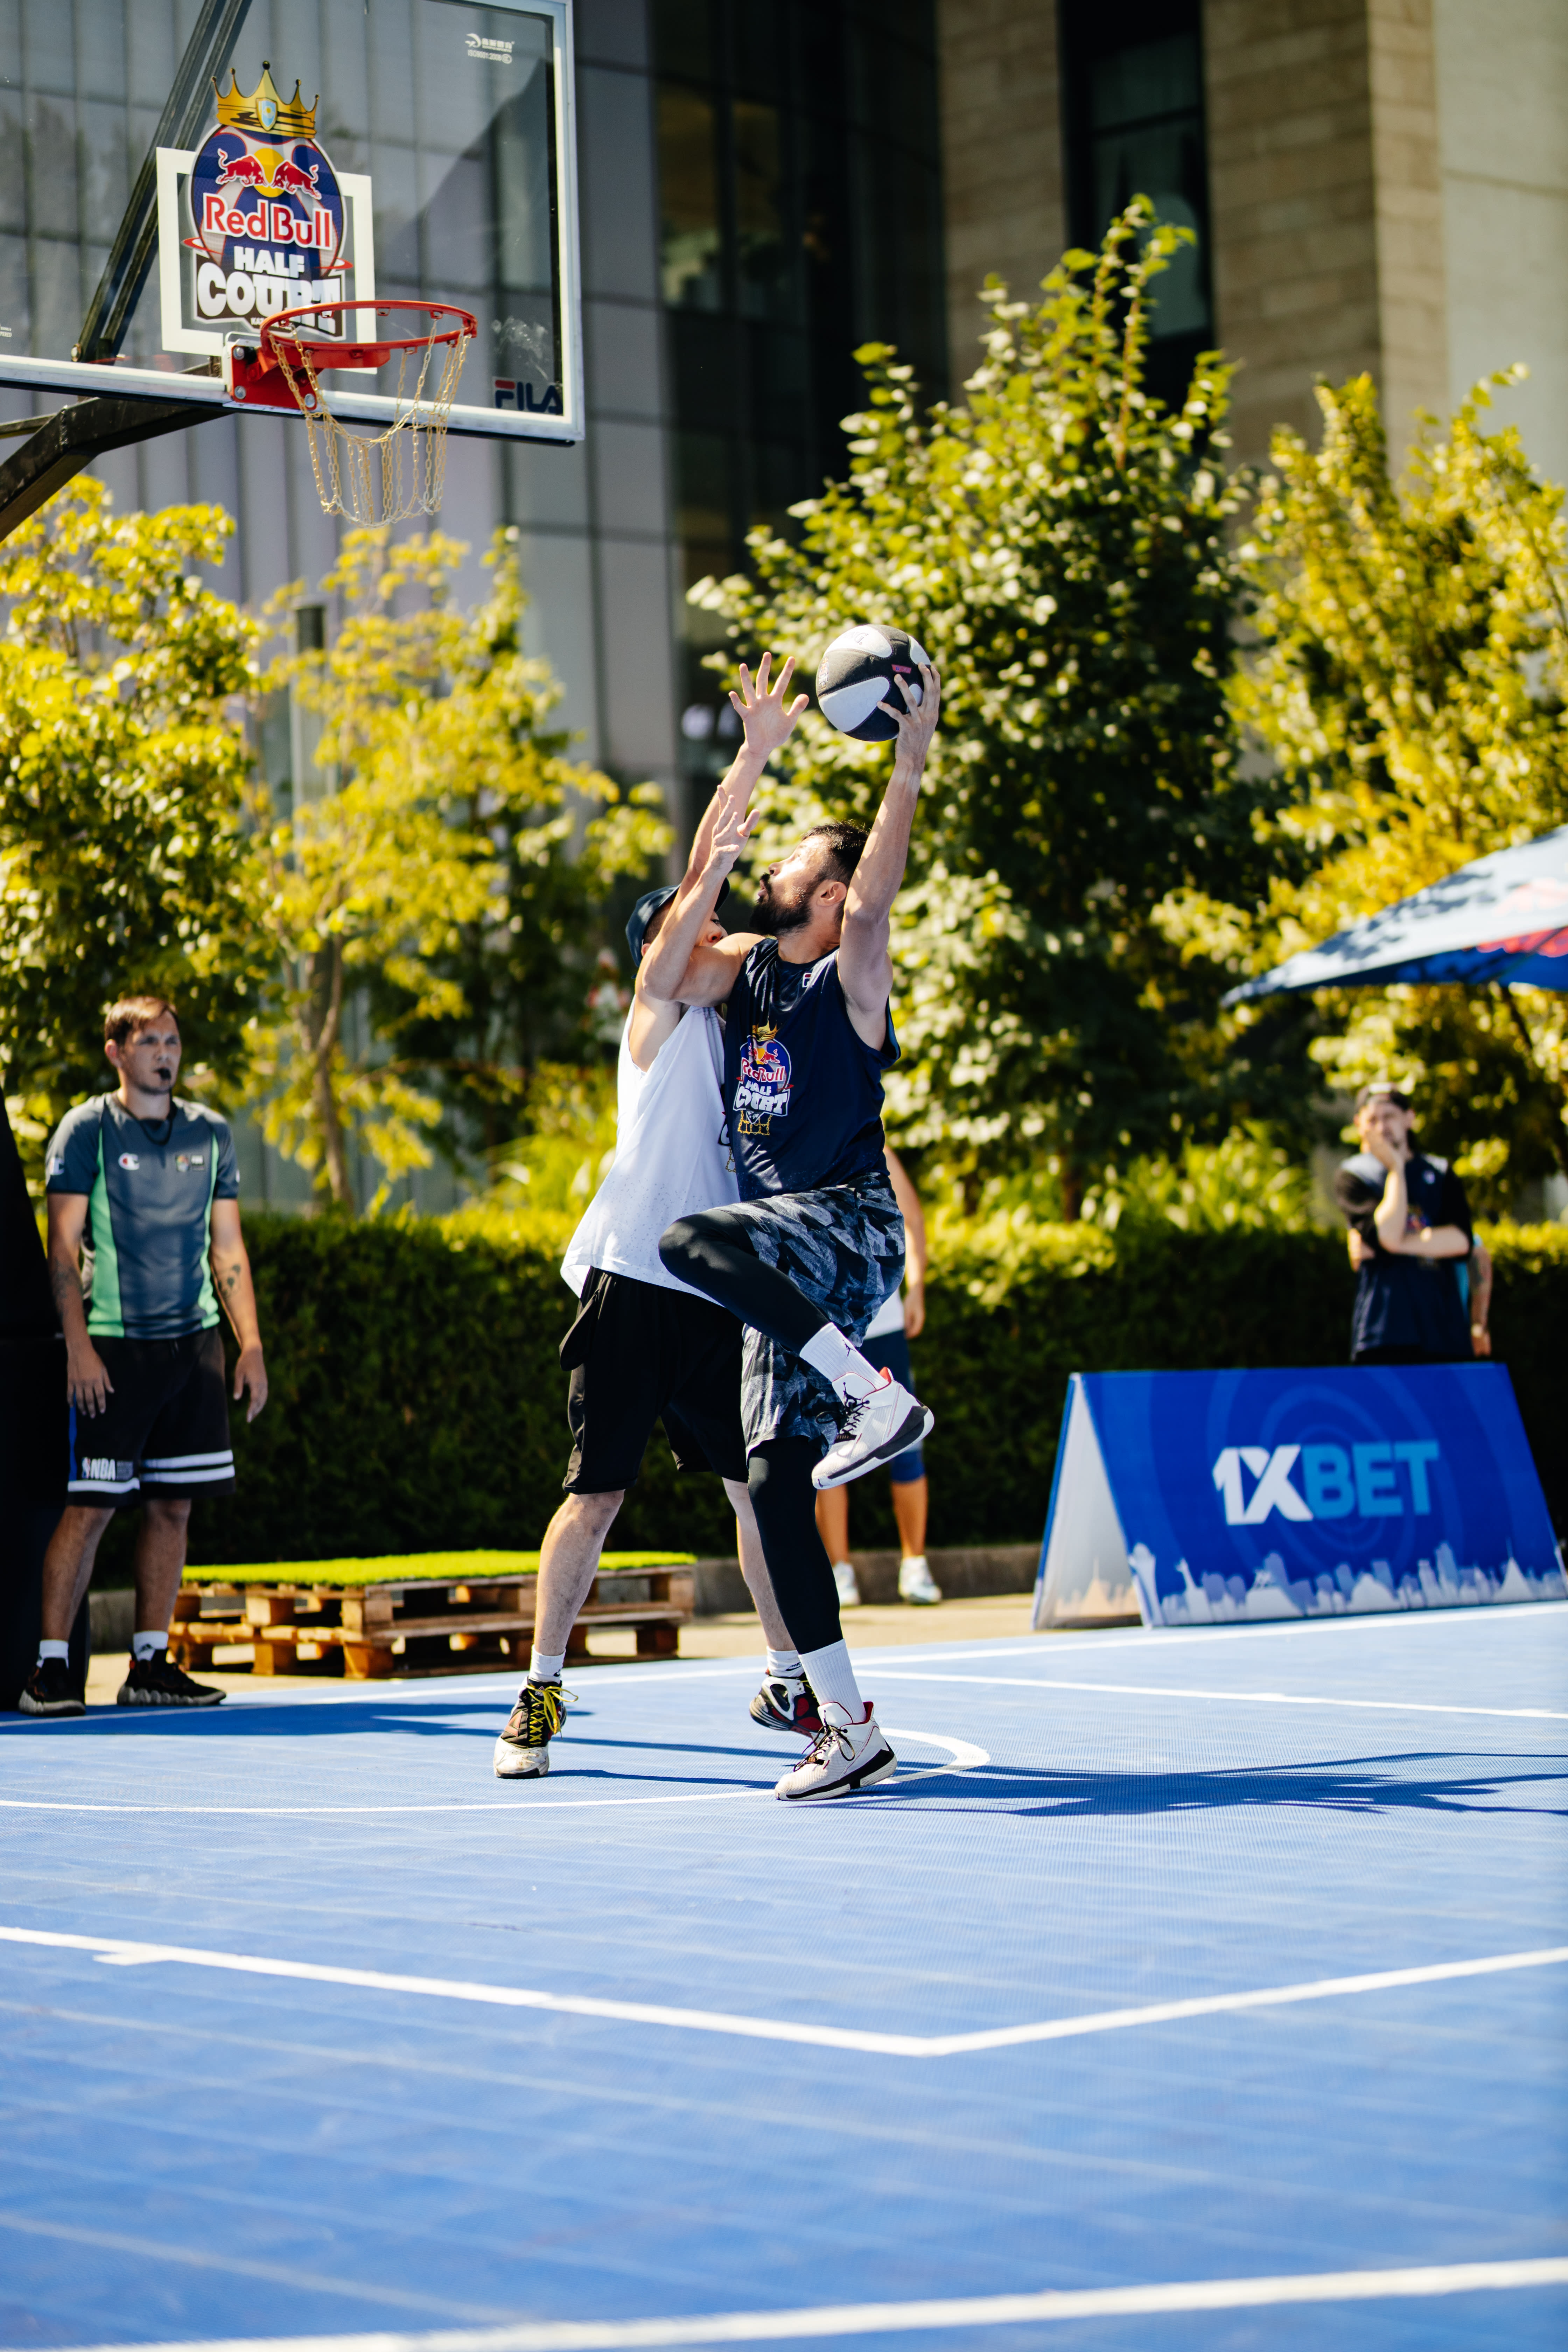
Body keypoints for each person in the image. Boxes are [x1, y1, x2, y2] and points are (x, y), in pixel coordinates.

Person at [492, 661, 821, 1779]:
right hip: (634, 1279)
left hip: (714, 1291)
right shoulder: (656, 1017)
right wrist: (754, 750)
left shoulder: (744, 1041)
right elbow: (700, 882)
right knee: (596, 1492)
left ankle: (788, 1680)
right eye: (697, 935)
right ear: (662, 954)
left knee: (754, 1488)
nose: (718, 944)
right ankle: (538, 1692)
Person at [646, 651, 941, 1802]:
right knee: (775, 1484)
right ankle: (845, 1722)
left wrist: (906, 767)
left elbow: (873, 900)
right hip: (787, 1262)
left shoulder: (848, 979)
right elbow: (668, 965)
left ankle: (873, 1390)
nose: (773, 872)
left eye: (794, 865)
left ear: (828, 897)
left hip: (849, 1225)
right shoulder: (753, 971)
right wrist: (749, 762)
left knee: (691, 1244)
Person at [21, 996, 267, 1717]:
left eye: (174, 1041)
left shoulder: (211, 1133)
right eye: (150, 1041)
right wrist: (77, 1349)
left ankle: (150, 1665)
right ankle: (54, 1670)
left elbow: (228, 1248)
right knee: (91, 1509)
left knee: (173, 1510)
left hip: (193, 1352)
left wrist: (248, 1343)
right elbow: (61, 1252)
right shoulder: (86, 1131)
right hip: (110, 1351)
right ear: (116, 1053)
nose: (166, 1053)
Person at [816, 1144, 941, 1608]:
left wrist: (918, 1290)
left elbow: (914, 1218)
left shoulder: (877, 1148)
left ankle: (915, 1565)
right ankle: (841, 1570)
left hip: (883, 1323)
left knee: (906, 1438)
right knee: (833, 1448)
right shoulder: (809, 1139)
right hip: (830, 1327)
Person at [1335, 1082, 1491, 1363]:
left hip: (1444, 1330)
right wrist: (1396, 1169)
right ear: (1359, 1125)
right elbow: (1387, 1233)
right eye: (1373, 1119)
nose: (1382, 1127)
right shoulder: (1354, 1176)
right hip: (1382, 1332)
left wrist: (1396, 1244)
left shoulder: (1441, 1172)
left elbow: (1462, 1241)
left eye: (1390, 1116)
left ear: (1410, 1118)